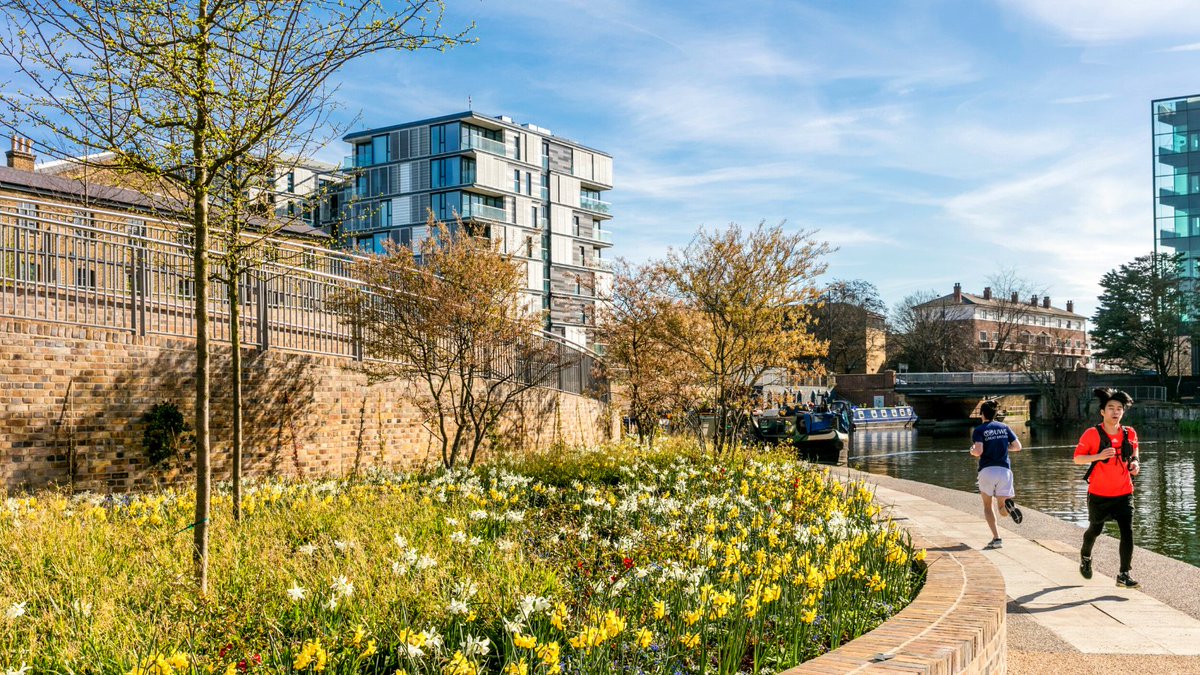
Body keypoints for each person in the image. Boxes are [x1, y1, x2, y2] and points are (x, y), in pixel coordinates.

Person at [1074, 388, 1141, 588]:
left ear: (1123, 412)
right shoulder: (1092, 434)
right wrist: (1098, 456)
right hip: (1099, 494)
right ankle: (1085, 557)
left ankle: (1124, 573)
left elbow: (1135, 449)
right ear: (1102, 411)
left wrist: (1135, 463)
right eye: (1111, 408)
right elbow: (1077, 459)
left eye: (1119, 408)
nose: (1115, 411)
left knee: (1127, 532)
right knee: (1095, 530)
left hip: (1124, 492)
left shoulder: (1129, 432)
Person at [970, 399, 1023, 549]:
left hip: (987, 470)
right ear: (995, 413)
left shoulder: (980, 430)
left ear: (982, 414)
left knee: (988, 506)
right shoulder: (1004, 427)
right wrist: (1005, 448)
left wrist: (972, 450)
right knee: (1002, 509)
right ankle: (1008, 506)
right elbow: (1018, 446)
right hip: (1004, 471)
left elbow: (978, 451)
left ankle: (997, 538)